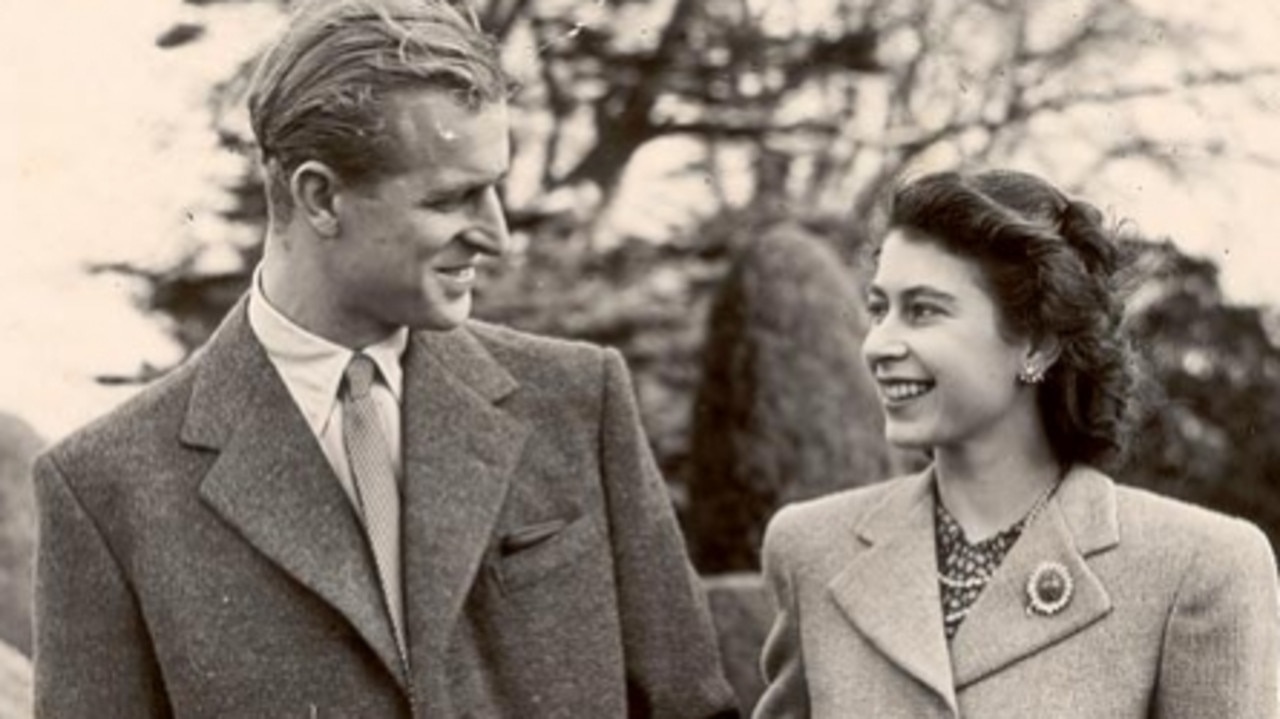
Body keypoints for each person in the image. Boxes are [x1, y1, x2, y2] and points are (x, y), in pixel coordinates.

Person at [32, 1, 738, 716]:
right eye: (452, 199)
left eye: (494, 189)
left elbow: (691, 707)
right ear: (320, 197)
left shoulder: (579, 400)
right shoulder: (105, 487)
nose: (496, 237)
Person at [753, 169, 1279, 718]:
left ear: (1038, 342)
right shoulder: (810, 550)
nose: (878, 344)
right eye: (879, 309)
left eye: (924, 310)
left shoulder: (1200, 568)